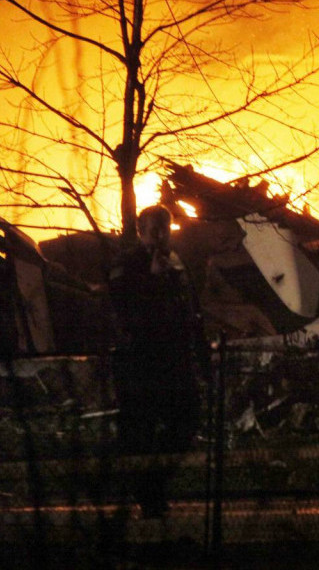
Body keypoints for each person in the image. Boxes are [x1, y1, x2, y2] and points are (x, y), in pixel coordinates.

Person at [108, 205, 207, 518]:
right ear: (140, 231)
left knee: (187, 420)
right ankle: (146, 497)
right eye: (154, 230)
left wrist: (202, 357)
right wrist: (151, 280)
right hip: (142, 364)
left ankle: (151, 485)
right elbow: (122, 309)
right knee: (142, 433)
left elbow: (192, 312)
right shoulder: (128, 264)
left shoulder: (177, 263)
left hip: (176, 361)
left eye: (165, 229)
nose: (161, 236)